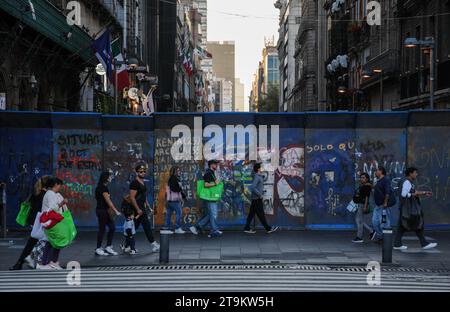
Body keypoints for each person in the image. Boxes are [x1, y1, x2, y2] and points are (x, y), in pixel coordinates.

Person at [10, 176, 51, 270]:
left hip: (35, 222)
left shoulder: (36, 193)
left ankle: (22, 262)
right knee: (38, 243)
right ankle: (26, 260)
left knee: (34, 243)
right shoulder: (44, 195)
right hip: (40, 223)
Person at [393, 167, 437, 251]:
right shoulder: (406, 181)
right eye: (415, 173)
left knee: (402, 226)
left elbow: (413, 192)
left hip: (405, 208)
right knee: (417, 224)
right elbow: (404, 194)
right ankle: (424, 243)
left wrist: (424, 193)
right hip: (408, 208)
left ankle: (397, 243)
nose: (416, 174)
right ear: (410, 173)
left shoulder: (407, 181)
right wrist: (412, 194)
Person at [37, 178, 67, 270]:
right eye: (59, 185)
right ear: (56, 184)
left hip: (54, 221)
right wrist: (61, 204)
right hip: (52, 221)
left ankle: (50, 262)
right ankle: (49, 262)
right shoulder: (50, 194)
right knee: (55, 242)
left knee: (52, 242)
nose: (60, 187)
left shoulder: (53, 194)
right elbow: (52, 209)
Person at [129, 164, 160, 253]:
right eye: (140, 171)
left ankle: (127, 245)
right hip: (137, 209)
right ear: (136, 172)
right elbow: (132, 197)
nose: (143, 173)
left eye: (144, 171)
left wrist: (149, 207)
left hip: (142, 208)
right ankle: (153, 243)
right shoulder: (134, 183)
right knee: (146, 225)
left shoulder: (143, 182)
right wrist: (138, 209)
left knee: (134, 227)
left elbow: (143, 196)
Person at [244, 163, 279, 234]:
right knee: (261, 214)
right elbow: (253, 187)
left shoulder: (258, 176)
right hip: (257, 198)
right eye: (261, 167)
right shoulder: (257, 177)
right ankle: (268, 228)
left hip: (255, 199)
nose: (262, 168)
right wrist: (260, 194)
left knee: (251, 214)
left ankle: (247, 228)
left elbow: (256, 187)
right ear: (258, 169)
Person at [94, 171, 121, 256]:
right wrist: (116, 211)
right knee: (102, 229)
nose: (110, 178)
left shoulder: (102, 187)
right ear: (105, 178)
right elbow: (108, 201)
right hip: (102, 211)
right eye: (109, 177)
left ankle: (108, 247)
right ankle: (98, 248)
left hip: (104, 211)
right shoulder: (103, 188)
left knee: (112, 227)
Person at [164, 166, 197, 234]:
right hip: (175, 200)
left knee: (168, 214)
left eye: (179, 170)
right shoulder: (174, 179)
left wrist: (184, 196)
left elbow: (175, 189)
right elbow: (174, 189)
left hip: (170, 200)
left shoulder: (172, 179)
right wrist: (180, 189)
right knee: (179, 213)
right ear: (174, 172)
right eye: (178, 171)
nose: (179, 172)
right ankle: (177, 228)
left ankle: (166, 228)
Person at [196, 160, 223, 238]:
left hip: (211, 196)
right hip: (210, 197)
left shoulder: (211, 172)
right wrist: (215, 183)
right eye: (215, 164)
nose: (217, 165)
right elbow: (206, 184)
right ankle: (214, 231)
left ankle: (199, 225)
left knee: (211, 214)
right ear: (211, 165)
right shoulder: (208, 173)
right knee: (214, 214)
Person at [371, 166, 394, 242]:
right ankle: (380, 237)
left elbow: (387, 192)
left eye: (376, 171)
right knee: (375, 222)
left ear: (381, 171)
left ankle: (386, 239)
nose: (375, 172)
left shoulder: (386, 180)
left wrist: (385, 203)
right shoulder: (378, 180)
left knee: (384, 223)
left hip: (383, 206)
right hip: (378, 206)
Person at [351, 173, 374, 243]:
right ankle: (371, 230)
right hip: (358, 204)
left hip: (362, 205)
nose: (361, 179)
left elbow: (367, 197)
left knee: (358, 220)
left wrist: (365, 206)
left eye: (363, 178)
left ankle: (359, 237)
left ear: (367, 179)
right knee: (360, 220)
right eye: (361, 177)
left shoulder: (367, 186)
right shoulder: (362, 185)